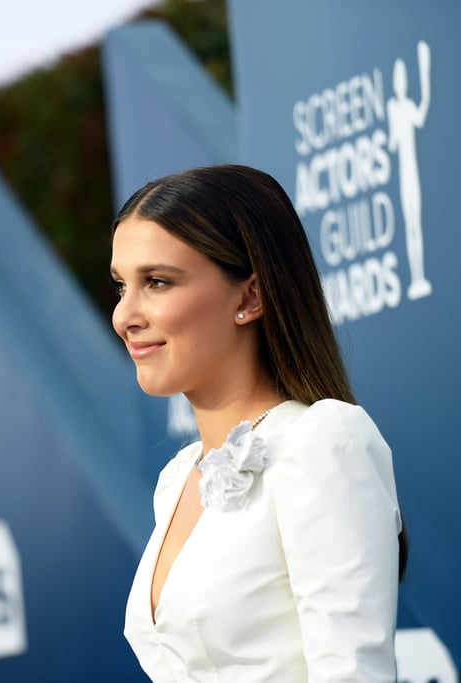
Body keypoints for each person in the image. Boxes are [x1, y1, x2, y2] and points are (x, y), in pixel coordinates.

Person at [110, 165, 405, 682]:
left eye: (157, 282)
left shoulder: (322, 441)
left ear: (249, 297)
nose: (124, 315)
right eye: (120, 286)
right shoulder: (178, 479)